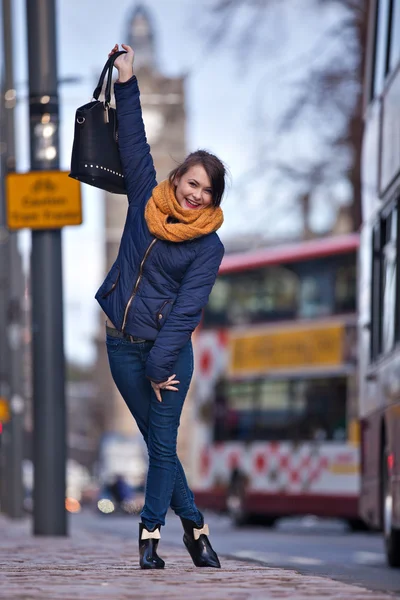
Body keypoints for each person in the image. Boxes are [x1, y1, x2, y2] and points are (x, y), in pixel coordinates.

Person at [95, 43, 226, 570]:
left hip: (166, 359)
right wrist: (125, 80)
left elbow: (188, 311)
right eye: (192, 183)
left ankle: (150, 537)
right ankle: (195, 527)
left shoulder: (208, 247)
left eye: (208, 193)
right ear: (177, 180)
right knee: (160, 445)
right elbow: (133, 139)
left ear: (215, 201)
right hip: (120, 348)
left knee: (162, 447)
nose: (197, 195)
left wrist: (158, 366)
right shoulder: (145, 198)